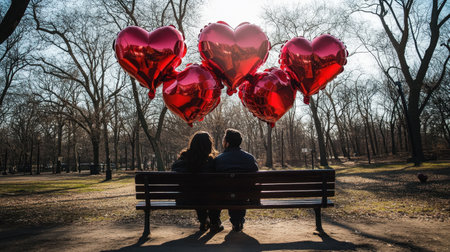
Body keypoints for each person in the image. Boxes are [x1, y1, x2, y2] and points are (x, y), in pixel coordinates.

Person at [171, 131, 224, 233]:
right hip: (209, 199)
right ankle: (214, 221)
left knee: (196, 192)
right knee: (213, 193)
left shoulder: (182, 161)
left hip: (186, 199)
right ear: (209, 145)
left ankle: (203, 220)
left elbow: (175, 169)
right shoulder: (213, 163)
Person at [214, 128, 259, 232]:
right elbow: (255, 177)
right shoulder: (249, 158)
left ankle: (235, 222)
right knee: (241, 191)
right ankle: (238, 222)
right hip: (245, 195)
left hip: (223, 195)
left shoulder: (219, 160)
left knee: (228, 190)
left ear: (227, 143)